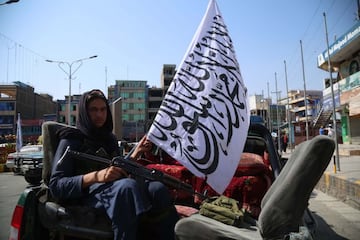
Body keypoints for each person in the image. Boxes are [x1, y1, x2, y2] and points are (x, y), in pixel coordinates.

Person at [49, 89, 179, 240]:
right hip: (87, 196)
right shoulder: (71, 140)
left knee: (157, 188)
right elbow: (56, 185)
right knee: (127, 188)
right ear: (85, 112)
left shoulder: (109, 139)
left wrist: (137, 152)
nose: (99, 114)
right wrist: (97, 176)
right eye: (93, 110)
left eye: (103, 109)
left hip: (112, 189)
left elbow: (119, 169)